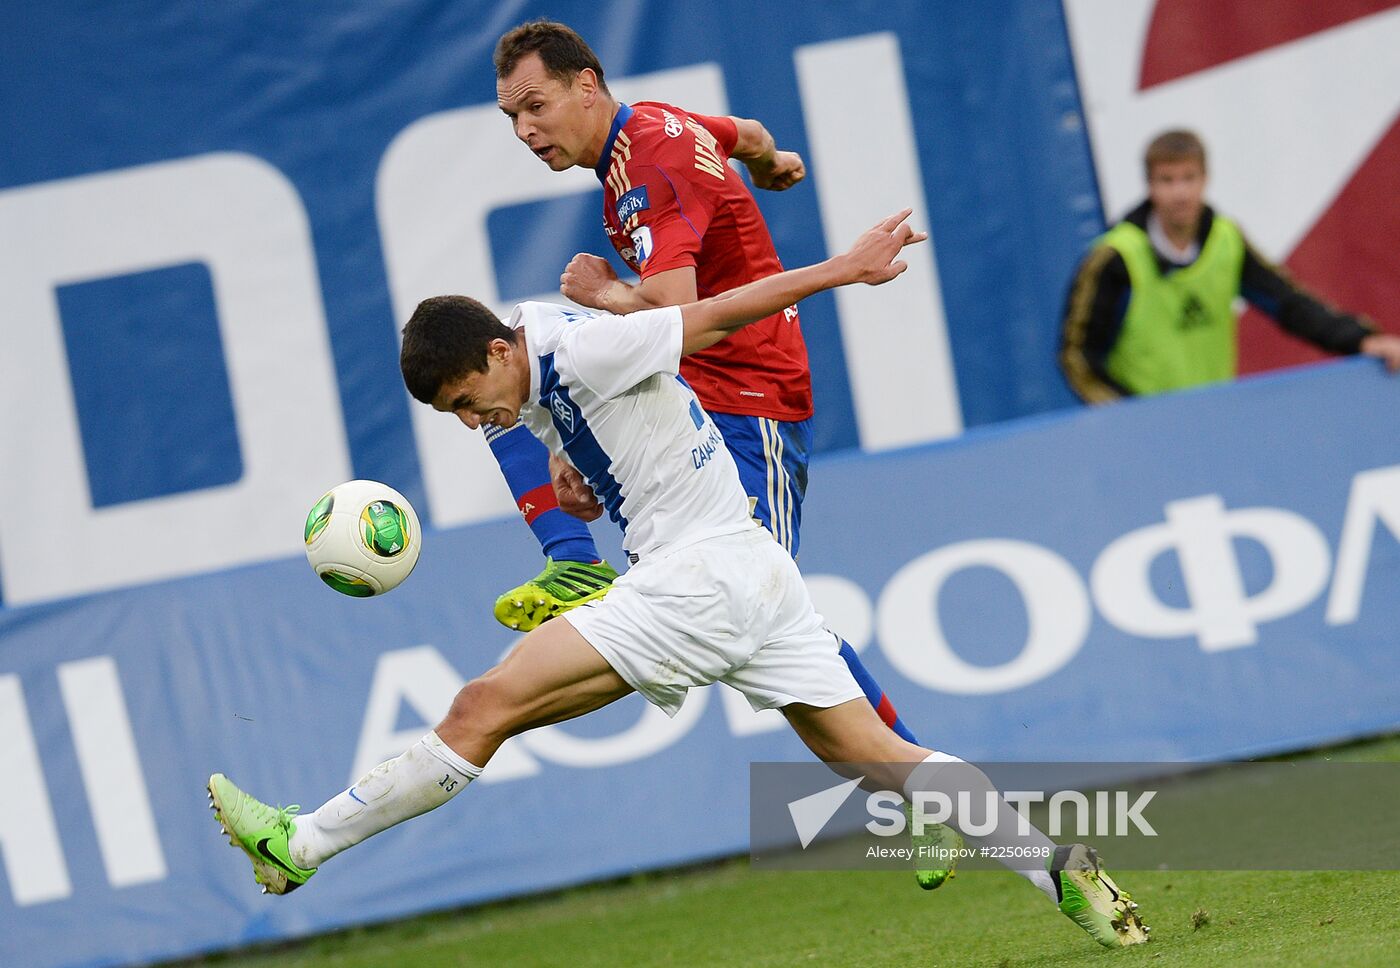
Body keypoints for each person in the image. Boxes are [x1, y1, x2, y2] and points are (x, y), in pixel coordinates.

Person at [207, 212, 1148, 950]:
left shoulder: (582, 347)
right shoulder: (528, 343)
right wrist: (579, 466)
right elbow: (562, 414)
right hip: (752, 572)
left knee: (481, 708)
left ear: (495, 354)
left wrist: (843, 269)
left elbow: (706, 319)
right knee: (876, 755)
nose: (470, 420)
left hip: (695, 580)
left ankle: (301, 847)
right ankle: (1054, 864)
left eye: (465, 402)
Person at [488, 19, 960, 888]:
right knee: (777, 627)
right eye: (510, 115)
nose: (524, 129)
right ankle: (915, 786)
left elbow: (668, 316)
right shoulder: (656, 128)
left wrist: (600, 294)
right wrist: (770, 161)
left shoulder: (649, 166)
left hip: (752, 404)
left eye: (535, 105)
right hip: (706, 406)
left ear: (585, 85)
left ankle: (917, 785)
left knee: (779, 621)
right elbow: (740, 132)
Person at [1060, 129, 1400, 402]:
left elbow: (1289, 304)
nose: (1180, 194)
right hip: (1143, 439)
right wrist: (1130, 418)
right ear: (1150, 186)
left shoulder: (1226, 241)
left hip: (1214, 422)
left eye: (1189, 178)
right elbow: (1077, 356)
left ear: (1205, 179)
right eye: (1167, 180)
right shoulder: (1114, 259)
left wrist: (1361, 341)